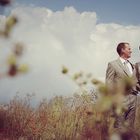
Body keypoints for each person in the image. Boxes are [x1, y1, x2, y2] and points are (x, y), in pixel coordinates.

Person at [106, 42, 139, 129]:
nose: (131, 51)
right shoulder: (112, 64)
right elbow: (108, 84)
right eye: (129, 49)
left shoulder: (134, 66)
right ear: (122, 50)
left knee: (129, 129)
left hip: (134, 99)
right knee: (119, 128)